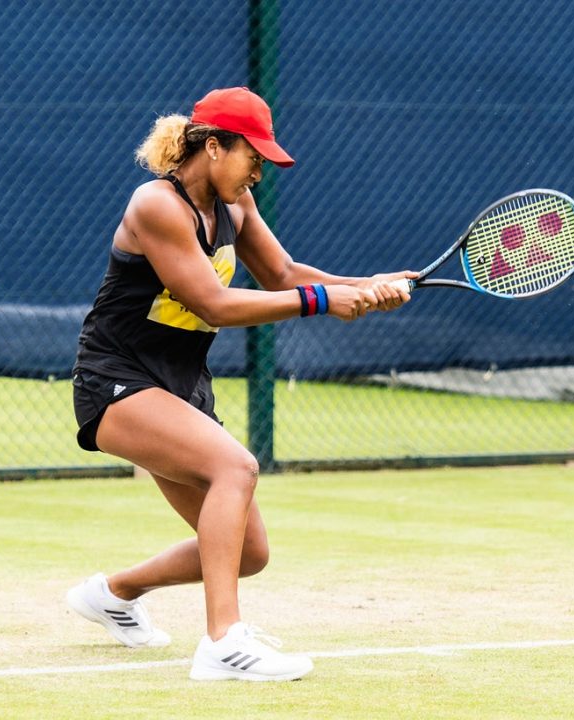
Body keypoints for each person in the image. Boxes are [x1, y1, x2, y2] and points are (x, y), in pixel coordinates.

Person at [66, 86, 413, 682]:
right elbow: (216, 303)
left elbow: (282, 273)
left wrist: (366, 283)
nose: (258, 172)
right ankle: (223, 643)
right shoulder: (157, 205)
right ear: (212, 146)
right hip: (116, 380)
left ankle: (112, 595)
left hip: (182, 386)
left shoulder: (237, 205)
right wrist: (323, 301)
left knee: (248, 553)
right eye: (253, 156)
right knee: (238, 469)